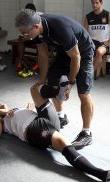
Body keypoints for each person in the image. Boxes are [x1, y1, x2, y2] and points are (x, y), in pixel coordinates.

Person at [0, 77, 110, 182]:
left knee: (34, 89)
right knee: (64, 144)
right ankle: (100, 173)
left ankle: (59, 92)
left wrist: (28, 106)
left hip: (44, 118)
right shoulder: (2, 121)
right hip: (34, 128)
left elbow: (31, 105)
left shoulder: (14, 110)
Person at [15, 9, 95, 148]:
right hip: (65, 52)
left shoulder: (60, 29)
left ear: (36, 26)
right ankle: (61, 116)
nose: (25, 36)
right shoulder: (37, 31)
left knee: (83, 93)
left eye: (26, 33)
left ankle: (86, 133)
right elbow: (43, 55)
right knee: (51, 83)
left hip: (83, 51)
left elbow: (76, 57)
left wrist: (70, 83)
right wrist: (41, 79)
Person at [84, 0, 110, 78]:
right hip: (91, 43)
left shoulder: (107, 14)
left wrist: (108, 41)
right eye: (93, 3)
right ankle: (84, 73)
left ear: (101, 3)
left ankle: (90, 74)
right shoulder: (88, 17)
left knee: (99, 52)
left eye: (97, 3)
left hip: (103, 43)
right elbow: (85, 33)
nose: (94, 5)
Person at [15, 3, 40, 72]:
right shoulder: (24, 17)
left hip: (38, 37)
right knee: (20, 38)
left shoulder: (39, 17)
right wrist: (24, 35)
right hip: (29, 36)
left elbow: (40, 32)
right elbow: (22, 30)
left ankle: (37, 63)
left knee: (40, 42)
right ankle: (21, 59)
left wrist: (30, 36)